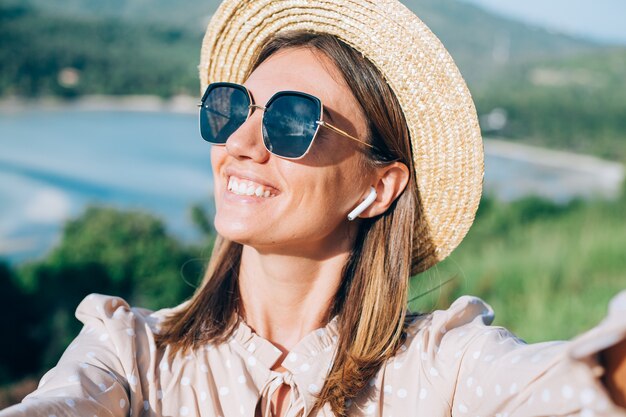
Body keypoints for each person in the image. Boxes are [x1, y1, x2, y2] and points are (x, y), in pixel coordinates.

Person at [2, 0, 625, 416]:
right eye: (233, 108)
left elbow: (573, 389)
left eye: (293, 122)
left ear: (377, 188)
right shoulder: (131, 355)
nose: (240, 145)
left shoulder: (444, 371)